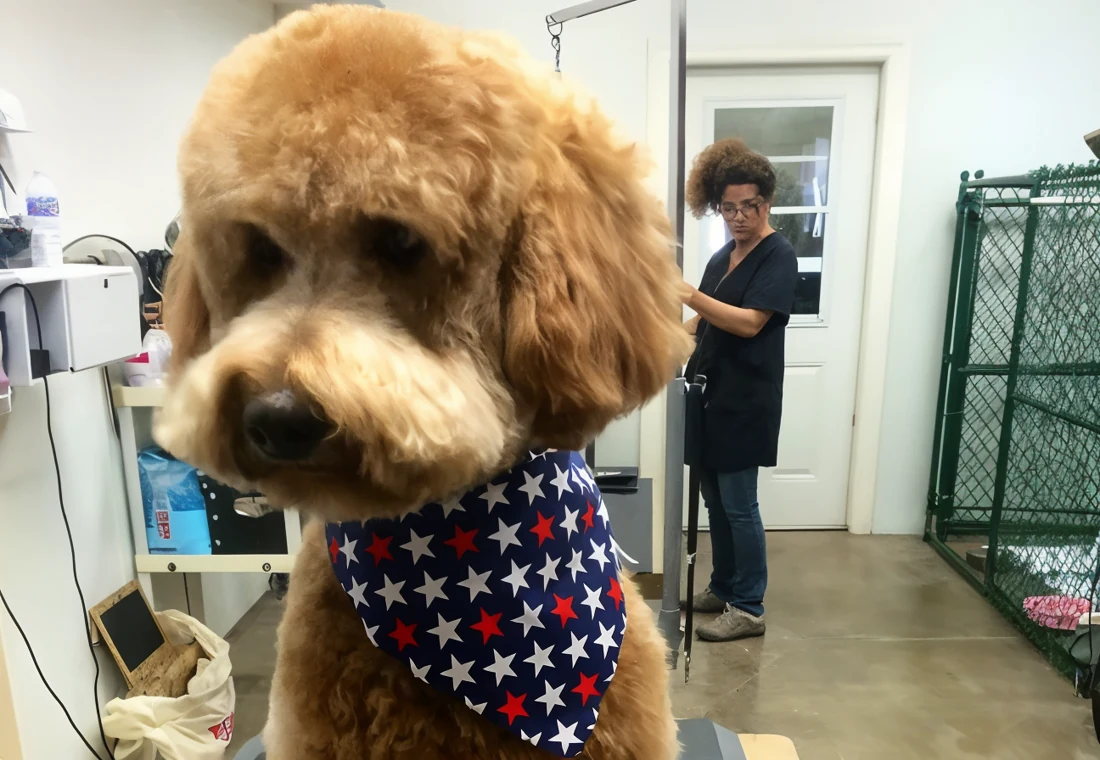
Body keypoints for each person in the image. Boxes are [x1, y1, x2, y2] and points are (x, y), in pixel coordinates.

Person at [680, 138, 798, 642]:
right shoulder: (724, 255)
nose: (738, 216)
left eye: (748, 206)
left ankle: (748, 607)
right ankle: (723, 587)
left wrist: (690, 295)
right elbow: (702, 321)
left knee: (739, 504)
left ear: (766, 201)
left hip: (746, 400)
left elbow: (749, 323)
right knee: (715, 502)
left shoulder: (779, 255)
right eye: (728, 207)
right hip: (709, 397)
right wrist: (661, 335)